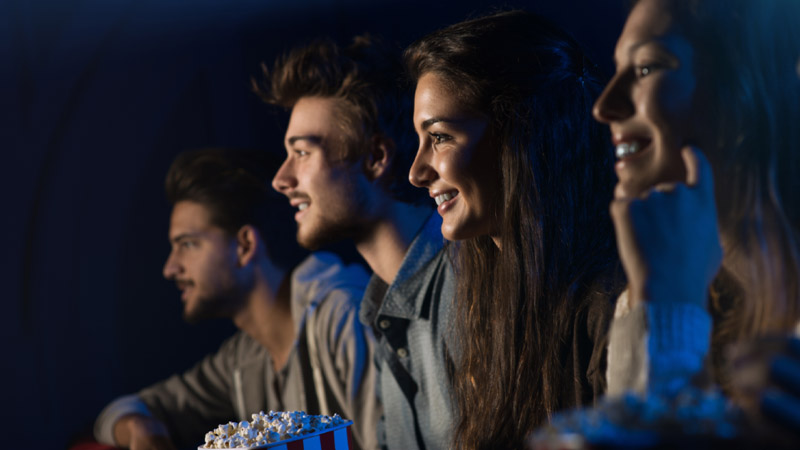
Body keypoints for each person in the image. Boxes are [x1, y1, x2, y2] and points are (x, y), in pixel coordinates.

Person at [405, 11, 623, 449]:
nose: (417, 171)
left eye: (441, 137)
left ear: (519, 134)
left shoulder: (611, 300)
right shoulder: (484, 290)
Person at [593, 0, 800, 441]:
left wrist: (666, 310)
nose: (605, 105)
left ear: (744, 88)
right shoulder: (646, 291)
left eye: (647, 68)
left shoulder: (663, 290)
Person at [93, 148, 378, 450]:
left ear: (244, 246)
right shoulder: (243, 358)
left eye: (187, 244)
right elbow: (123, 412)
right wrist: (140, 428)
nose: (170, 268)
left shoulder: (343, 315)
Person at [260, 36, 455, 450]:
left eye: (303, 153)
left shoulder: (468, 284)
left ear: (375, 158)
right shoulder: (380, 308)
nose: (282, 179)